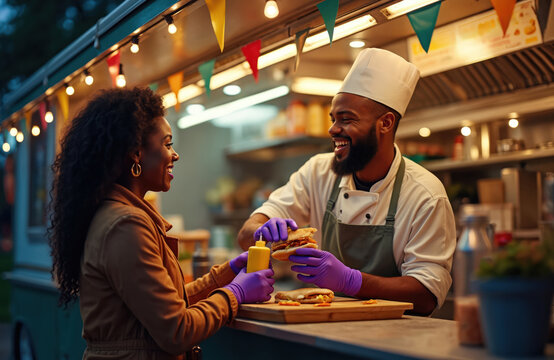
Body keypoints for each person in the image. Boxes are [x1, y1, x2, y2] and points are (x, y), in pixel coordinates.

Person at [49, 87, 274, 359]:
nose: (175, 154)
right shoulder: (126, 225)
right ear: (136, 154)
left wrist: (225, 275)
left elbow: (166, 306)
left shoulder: (118, 215)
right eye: (167, 144)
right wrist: (236, 293)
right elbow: (176, 330)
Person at [237, 48, 456, 316]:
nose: (332, 129)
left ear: (385, 123)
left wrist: (351, 281)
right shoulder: (319, 171)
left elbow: (427, 295)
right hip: (324, 328)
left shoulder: (426, 195)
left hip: (397, 339)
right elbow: (245, 233)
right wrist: (262, 233)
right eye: (333, 119)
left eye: (346, 119)